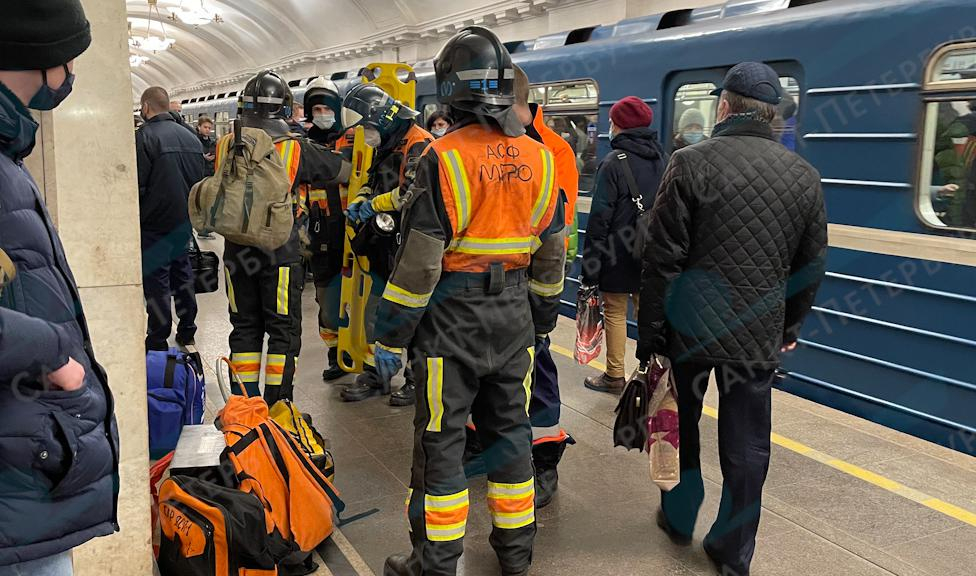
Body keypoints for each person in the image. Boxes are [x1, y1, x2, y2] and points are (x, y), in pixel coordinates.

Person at [377, 26, 565, 576]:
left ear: (448, 89)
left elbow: (419, 264)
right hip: (514, 318)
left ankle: (434, 563)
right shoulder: (541, 158)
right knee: (511, 435)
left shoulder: (442, 158)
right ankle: (516, 555)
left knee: (441, 440)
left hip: (450, 321)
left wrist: (391, 334)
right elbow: (553, 254)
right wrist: (541, 317)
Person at [637, 62, 827, 576]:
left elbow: (662, 260)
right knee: (747, 445)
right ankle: (733, 550)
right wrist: (789, 328)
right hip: (757, 335)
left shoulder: (689, 163)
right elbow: (810, 266)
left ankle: (679, 517)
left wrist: (652, 335)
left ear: (723, 107)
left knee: (686, 424)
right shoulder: (803, 176)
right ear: (771, 115)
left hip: (691, 331)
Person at [0, 0, 119, 572]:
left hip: (24, 464)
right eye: (71, 58)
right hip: (14, 482)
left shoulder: (8, 154)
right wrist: (54, 352)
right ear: (39, 56)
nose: (72, 75)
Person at [219, 70, 349, 404]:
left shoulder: (224, 144)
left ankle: (245, 406)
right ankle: (279, 406)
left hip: (236, 253)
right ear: (285, 108)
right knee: (282, 331)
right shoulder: (294, 148)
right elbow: (342, 170)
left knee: (244, 327)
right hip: (280, 253)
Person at [338, 83, 433, 405]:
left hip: (413, 249)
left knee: (417, 319)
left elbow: (411, 193)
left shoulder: (420, 144)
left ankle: (414, 380)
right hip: (387, 247)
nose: (365, 135)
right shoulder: (391, 142)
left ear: (383, 118)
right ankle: (378, 375)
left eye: (367, 126)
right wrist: (363, 198)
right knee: (381, 314)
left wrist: (373, 205)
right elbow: (372, 178)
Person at [510, 64, 579, 508]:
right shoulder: (485, 143)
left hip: (530, 283)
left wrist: (544, 303)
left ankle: (544, 461)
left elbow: (560, 228)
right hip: (487, 293)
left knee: (538, 373)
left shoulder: (554, 151)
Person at [581, 96, 666, 393]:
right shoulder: (663, 160)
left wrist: (590, 266)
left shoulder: (612, 163)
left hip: (617, 253)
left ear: (619, 125)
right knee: (647, 312)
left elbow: (600, 220)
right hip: (652, 251)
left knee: (615, 311)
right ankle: (648, 373)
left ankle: (614, 375)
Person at [136, 86, 204, 352]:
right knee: (183, 273)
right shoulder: (191, 138)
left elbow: (139, 184)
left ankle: (158, 336)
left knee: (157, 281)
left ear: (145, 107)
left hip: (154, 222)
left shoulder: (145, 137)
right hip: (184, 220)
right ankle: (187, 329)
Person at [302, 77, 349, 382]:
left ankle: (361, 356)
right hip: (321, 236)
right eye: (316, 108)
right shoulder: (304, 148)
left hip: (353, 232)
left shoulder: (354, 141)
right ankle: (335, 354)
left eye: (326, 108)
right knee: (328, 302)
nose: (322, 113)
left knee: (361, 299)